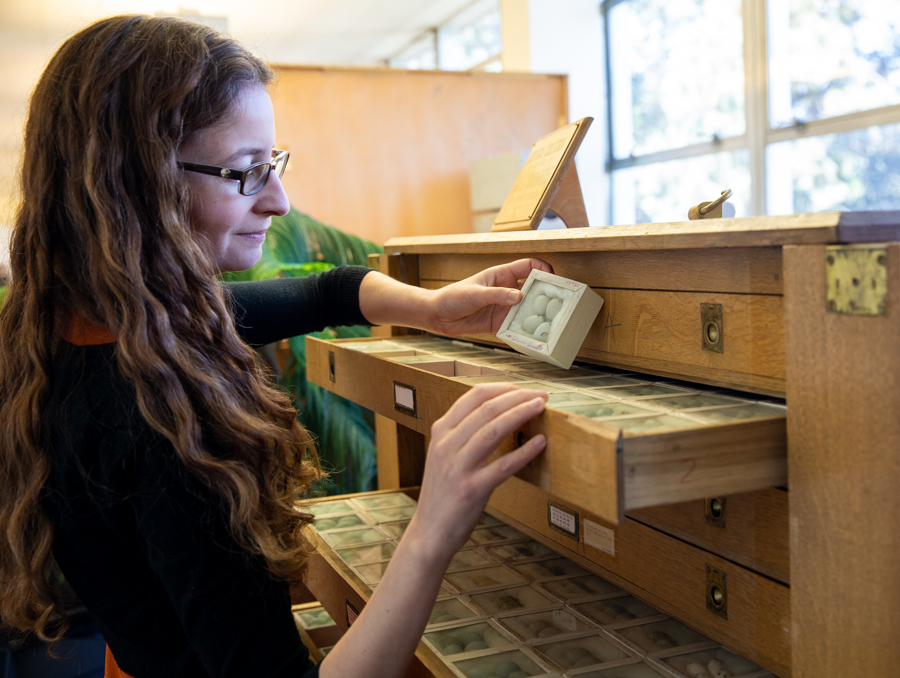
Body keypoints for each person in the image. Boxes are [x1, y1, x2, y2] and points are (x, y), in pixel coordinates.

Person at [0, 15, 551, 678]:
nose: (281, 202)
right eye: (245, 173)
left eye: (273, 165)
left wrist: (434, 308)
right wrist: (433, 529)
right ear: (138, 186)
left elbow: (326, 293)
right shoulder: (162, 421)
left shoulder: (101, 330)